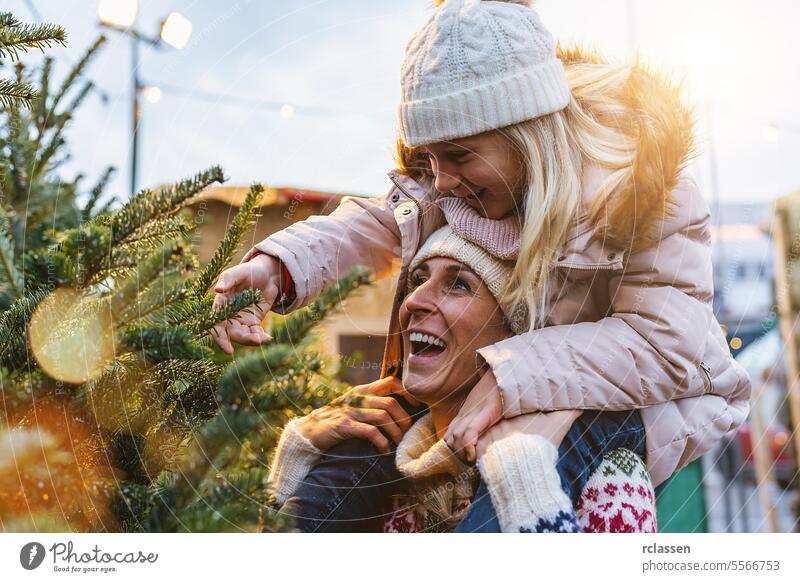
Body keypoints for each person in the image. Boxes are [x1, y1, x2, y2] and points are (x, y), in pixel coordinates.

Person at [212, 0, 750, 524]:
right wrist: (274, 269)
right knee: (363, 442)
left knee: (521, 463)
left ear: (526, 133)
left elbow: (664, 343)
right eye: (430, 159)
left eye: (461, 156)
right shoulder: (455, 188)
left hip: (619, 401)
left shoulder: (641, 193)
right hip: (482, 386)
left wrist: (514, 375)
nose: (441, 179)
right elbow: (373, 224)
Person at [267, 227, 657, 532]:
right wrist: (296, 467)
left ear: (514, 335)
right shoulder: (372, 469)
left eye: (458, 284)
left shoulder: (604, 479)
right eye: (417, 279)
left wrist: (526, 490)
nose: (413, 301)